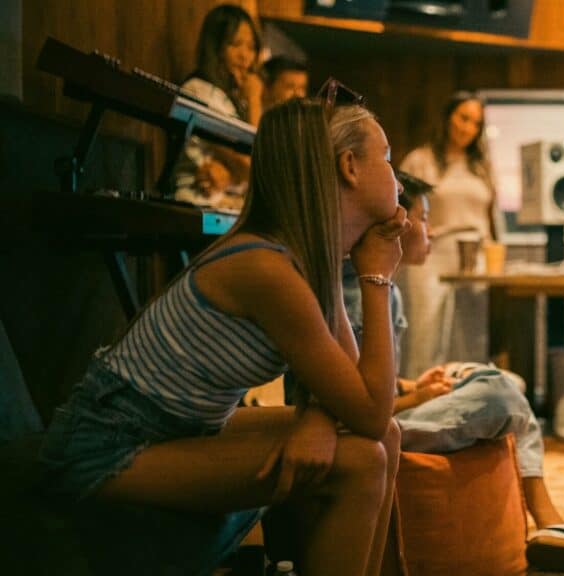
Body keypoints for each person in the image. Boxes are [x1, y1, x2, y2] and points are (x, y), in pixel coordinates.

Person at [38, 98, 409, 576]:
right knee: (361, 461)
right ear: (350, 166)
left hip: (178, 428)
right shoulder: (267, 269)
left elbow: (356, 397)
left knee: (387, 441)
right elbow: (370, 410)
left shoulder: (301, 259)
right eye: (387, 156)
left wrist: (316, 418)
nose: (397, 178)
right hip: (109, 442)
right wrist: (376, 278)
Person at [342, 172, 564, 575]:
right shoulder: (360, 293)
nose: (432, 231)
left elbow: (372, 376)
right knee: (500, 395)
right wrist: (416, 399)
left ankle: (547, 525)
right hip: (378, 430)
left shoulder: (383, 287)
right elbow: (353, 407)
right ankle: (548, 521)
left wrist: (413, 385)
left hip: (392, 409)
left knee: (501, 381)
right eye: (425, 219)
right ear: (396, 224)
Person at [398, 91, 497, 377]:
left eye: (476, 123)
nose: (468, 128)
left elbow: (487, 217)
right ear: (447, 118)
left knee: (470, 337)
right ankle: (419, 407)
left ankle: (467, 406)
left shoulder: (481, 166)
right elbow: (400, 208)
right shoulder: (421, 161)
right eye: (463, 118)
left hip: (473, 259)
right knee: (425, 337)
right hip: (431, 257)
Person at [175, 4, 264, 210]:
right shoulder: (199, 90)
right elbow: (253, 166)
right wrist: (254, 100)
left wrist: (230, 176)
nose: (245, 56)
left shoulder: (229, 97)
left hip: (219, 207)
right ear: (216, 48)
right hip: (194, 207)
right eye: (235, 44)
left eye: (251, 47)